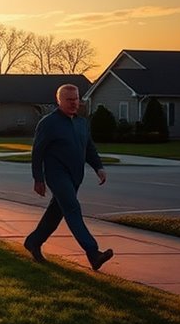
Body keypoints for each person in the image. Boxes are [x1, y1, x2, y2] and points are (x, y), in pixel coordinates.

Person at [24, 84, 115, 270]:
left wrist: (98, 167)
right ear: (59, 101)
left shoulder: (81, 123)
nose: (74, 103)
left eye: (76, 99)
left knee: (54, 215)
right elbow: (37, 152)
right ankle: (93, 253)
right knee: (73, 208)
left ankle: (33, 242)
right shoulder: (48, 123)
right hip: (57, 175)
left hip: (75, 177)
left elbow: (88, 148)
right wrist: (38, 179)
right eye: (69, 100)